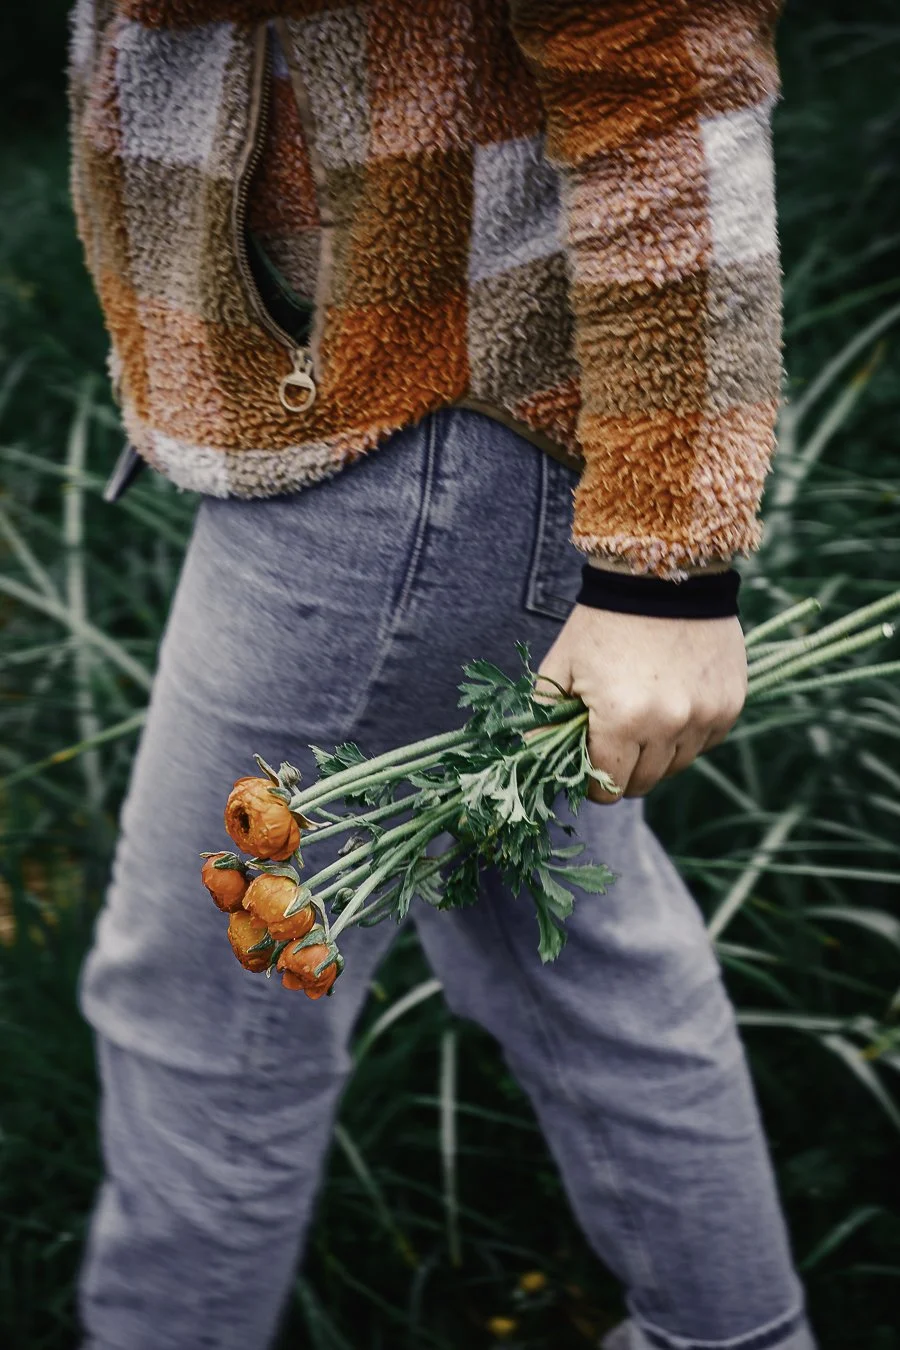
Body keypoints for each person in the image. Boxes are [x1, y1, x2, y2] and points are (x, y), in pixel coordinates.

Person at [67, 2, 818, 1348]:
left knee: (202, 1000)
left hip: (413, 430)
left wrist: (668, 571)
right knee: (573, 954)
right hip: (387, 409)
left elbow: (662, 72)